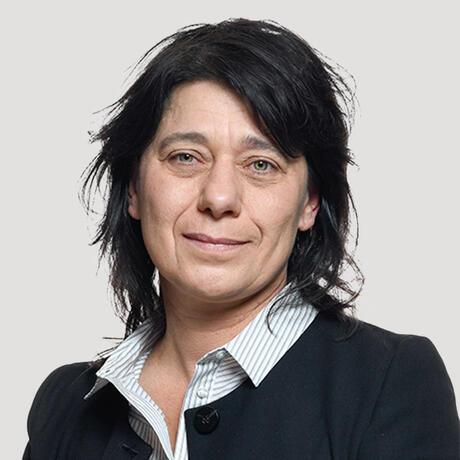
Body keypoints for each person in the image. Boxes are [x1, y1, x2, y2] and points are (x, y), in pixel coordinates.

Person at [23, 18, 458, 460]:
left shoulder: (388, 381)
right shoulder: (65, 407)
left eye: (261, 164)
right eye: (186, 157)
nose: (219, 198)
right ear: (133, 187)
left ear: (309, 202)